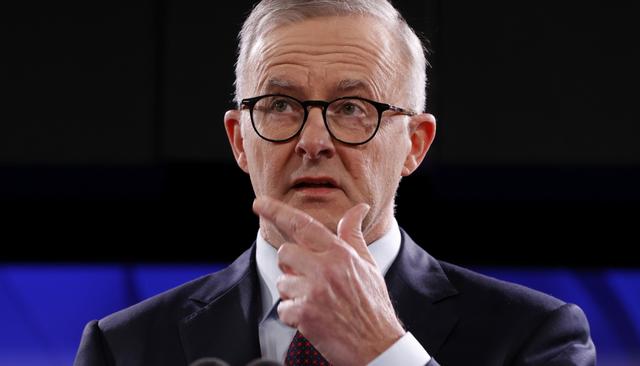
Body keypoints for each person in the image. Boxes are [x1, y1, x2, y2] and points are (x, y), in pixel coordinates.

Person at [74, 1, 596, 365]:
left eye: (352, 108)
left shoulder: (535, 336)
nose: (313, 140)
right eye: (280, 105)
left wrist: (384, 351)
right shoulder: (125, 348)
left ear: (415, 144)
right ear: (238, 140)